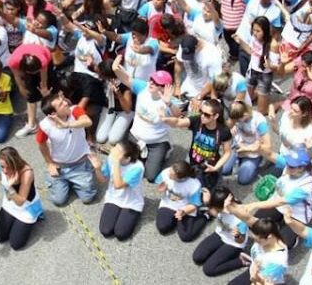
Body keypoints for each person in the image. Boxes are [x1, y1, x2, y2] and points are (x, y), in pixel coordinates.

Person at [111, 54, 179, 182]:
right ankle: (141, 155)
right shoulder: (143, 87)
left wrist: (169, 103)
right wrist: (115, 68)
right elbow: (126, 79)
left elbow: (178, 117)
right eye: (151, 79)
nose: (151, 83)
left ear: (165, 87)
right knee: (122, 162)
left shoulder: (170, 100)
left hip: (156, 142)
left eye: (156, 82)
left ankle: (166, 150)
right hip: (135, 136)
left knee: (150, 176)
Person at [36, 92, 97, 206]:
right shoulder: (45, 125)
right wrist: (49, 163)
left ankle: (76, 180)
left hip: (80, 163)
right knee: (59, 201)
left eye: (62, 100)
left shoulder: (75, 110)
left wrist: (67, 125)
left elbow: (88, 122)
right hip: (60, 166)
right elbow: (41, 144)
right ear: (53, 114)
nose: (65, 103)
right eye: (60, 104)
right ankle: (65, 182)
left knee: (88, 198)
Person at [161, 99, 232, 190]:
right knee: (195, 186)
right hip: (194, 162)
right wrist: (165, 119)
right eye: (201, 112)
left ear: (216, 116)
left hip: (211, 165)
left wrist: (216, 167)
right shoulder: (197, 120)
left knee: (211, 188)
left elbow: (227, 152)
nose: (202, 116)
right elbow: (178, 122)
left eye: (206, 115)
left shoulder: (223, 131)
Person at [0, 147, 43, 250]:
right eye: (2, 167)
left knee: (16, 244)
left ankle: (35, 218)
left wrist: (9, 188)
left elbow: (20, 201)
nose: (5, 171)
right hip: (10, 202)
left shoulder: (26, 173)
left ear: (15, 163)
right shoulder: (0, 165)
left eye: (8, 167)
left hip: (26, 206)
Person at [92, 140, 145, 241]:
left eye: (118, 151)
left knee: (121, 234)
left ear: (127, 158)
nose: (114, 151)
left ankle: (136, 213)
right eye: (115, 148)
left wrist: (116, 162)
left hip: (132, 202)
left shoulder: (137, 167)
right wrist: (97, 169)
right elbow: (102, 180)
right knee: (105, 230)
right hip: (114, 198)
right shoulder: (111, 159)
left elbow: (118, 185)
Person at [192, 186, 249, 277]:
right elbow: (213, 211)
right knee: (198, 257)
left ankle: (241, 260)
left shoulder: (240, 217)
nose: (216, 211)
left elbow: (241, 241)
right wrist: (206, 201)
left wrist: (237, 235)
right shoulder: (219, 206)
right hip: (220, 234)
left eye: (218, 209)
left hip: (234, 244)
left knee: (209, 269)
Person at [8, 43, 53, 138]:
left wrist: (44, 89)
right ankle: (31, 125)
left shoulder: (43, 61)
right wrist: (21, 87)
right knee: (30, 95)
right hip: (26, 64)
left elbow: (43, 79)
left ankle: (54, 118)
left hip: (45, 60)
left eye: (37, 71)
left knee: (50, 91)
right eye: (34, 73)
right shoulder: (13, 61)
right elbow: (17, 75)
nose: (36, 73)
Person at [154, 161, 206, 242]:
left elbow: (194, 205)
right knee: (163, 227)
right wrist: (161, 187)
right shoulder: (166, 172)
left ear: (181, 177)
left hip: (186, 207)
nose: (168, 175)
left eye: (171, 176)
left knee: (185, 236)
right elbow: (159, 183)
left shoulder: (194, 184)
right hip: (169, 204)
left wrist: (183, 211)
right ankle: (174, 220)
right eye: (170, 171)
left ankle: (205, 216)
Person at [222, 101, 271, 185]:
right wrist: (231, 129)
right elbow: (227, 127)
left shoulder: (259, 122)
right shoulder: (238, 117)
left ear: (245, 115)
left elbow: (268, 145)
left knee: (243, 180)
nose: (236, 122)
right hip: (237, 147)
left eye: (237, 120)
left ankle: (257, 164)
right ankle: (239, 162)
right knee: (223, 170)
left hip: (253, 152)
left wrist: (247, 148)